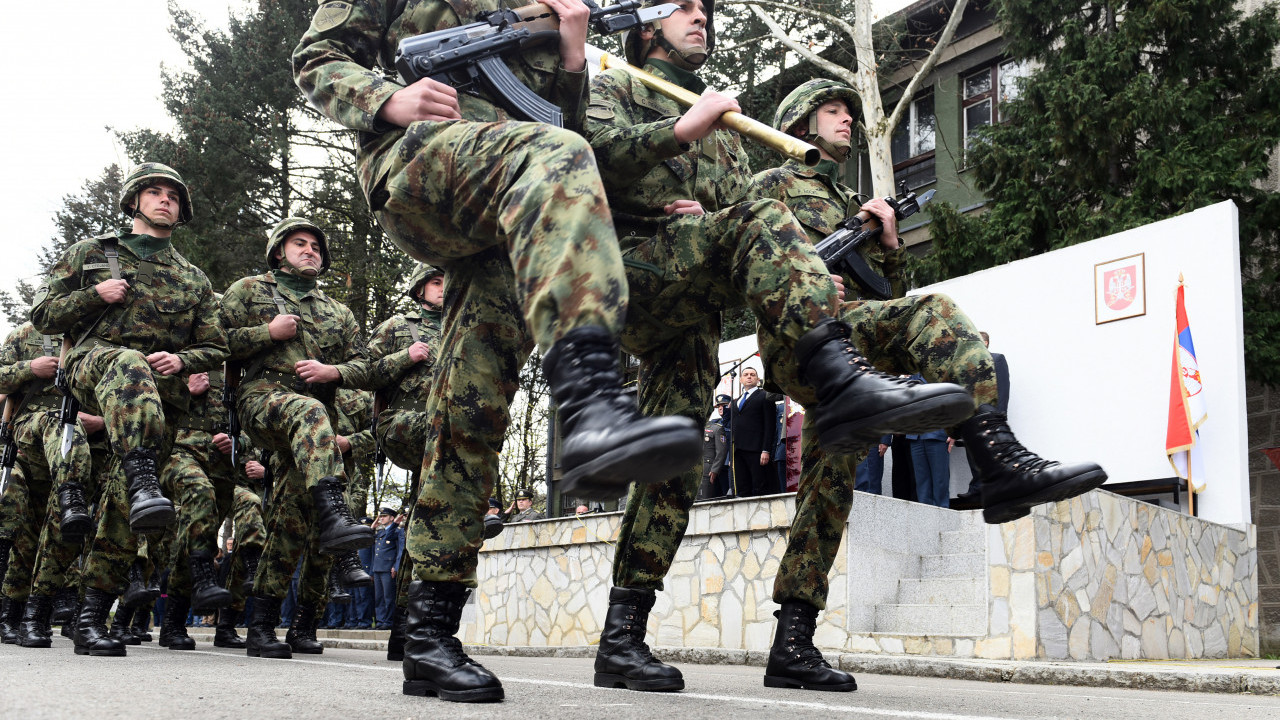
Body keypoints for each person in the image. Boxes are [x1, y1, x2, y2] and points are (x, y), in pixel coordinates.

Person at [293, 0, 708, 701]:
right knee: (554, 156)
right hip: (420, 162)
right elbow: (316, 59)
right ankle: (592, 402)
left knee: (471, 403)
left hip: (513, 200)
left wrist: (573, 61)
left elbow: (567, 141)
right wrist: (387, 97)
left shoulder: (551, 14)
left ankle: (428, 632)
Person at [584, 0, 977, 695]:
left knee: (673, 463)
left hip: (699, 306)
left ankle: (624, 637)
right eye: (682, 7)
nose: (700, 16)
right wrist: (678, 137)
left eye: (707, 10)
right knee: (760, 224)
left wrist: (838, 256)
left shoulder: (731, 139)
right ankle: (842, 376)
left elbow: (751, 234)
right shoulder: (617, 83)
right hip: (635, 269)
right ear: (644, 22)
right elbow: (589, 161)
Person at [748, 77, 1108, 690]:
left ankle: (792, 644)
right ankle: (996, 461)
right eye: (834, 110)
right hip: (802, 342)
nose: (847, 122)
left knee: (828, 490)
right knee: (933, 313)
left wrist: (887, 246)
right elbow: (747, 266)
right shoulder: (771, 186)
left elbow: (886, 298)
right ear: (800, 122)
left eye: (848, 113)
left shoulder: (845, 201)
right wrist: (806, 286)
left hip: (854, 351)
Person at [31, 162, 229, 657]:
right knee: (127, 361)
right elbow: (42, 313)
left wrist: (182, 358)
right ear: (134, 201)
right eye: (155, 193)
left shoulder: (192, 278)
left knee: (128, 509)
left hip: (152, 405)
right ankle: (142, 478)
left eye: (173, 197)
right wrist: (92, 294)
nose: (165, 201)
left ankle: (92, 616)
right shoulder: (92, 253)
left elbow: (216, 345)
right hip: (91, 369)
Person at [221, 217, 389, 659]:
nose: (310, 249)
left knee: (294, 522)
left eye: (316, 245)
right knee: (310, 412)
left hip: (315, 429)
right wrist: (267, 333)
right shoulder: (249, 290)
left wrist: (334, 372)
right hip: (262, 398)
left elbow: (366, 367)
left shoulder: (338, 312)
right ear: (279, 250)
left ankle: (277, 627)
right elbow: (213, 341)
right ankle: (335, 513)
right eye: (300, 243)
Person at [0, 323, 95, 648]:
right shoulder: (25, 335)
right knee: (60, 420)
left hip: (81, 449)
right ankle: (10, 616)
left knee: (51, 534)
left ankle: (31, 617)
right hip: (28, 433)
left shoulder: (100, 337)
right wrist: (30, 368)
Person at [726, 368, 777, 498]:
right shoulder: (735, 401)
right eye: (746, 375)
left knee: (760, 487)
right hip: (738, 451)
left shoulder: (765, 396)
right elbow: (732, 428)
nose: (749, 377)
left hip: (757, 450)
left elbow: (770, 425)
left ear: (758, 379)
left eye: (752, 375)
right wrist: (731, 455)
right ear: (740, 379)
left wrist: (766, 450)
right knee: (742, 489)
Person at [372, 508, 404, 630]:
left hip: (387, 568)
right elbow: (368, 541)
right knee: (378, 597)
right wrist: (372, 527)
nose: (381, 518)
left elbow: (399, 550)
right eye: (380, 516)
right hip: (377, 568)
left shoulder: (397, 531)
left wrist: (396, 566)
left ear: (392, 518)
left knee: (388, 597)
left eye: (384, 516)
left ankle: (388, 620)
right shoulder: (379, 533)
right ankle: (380, 621)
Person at [697, 395, 730, 500]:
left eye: (724, 405)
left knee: (724, 494)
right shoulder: (715, 423)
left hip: (724, 464)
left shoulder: (730, 422)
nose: (721, 408)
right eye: (719, 406)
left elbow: (722, 449)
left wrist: (715, 468)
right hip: (709, 465)